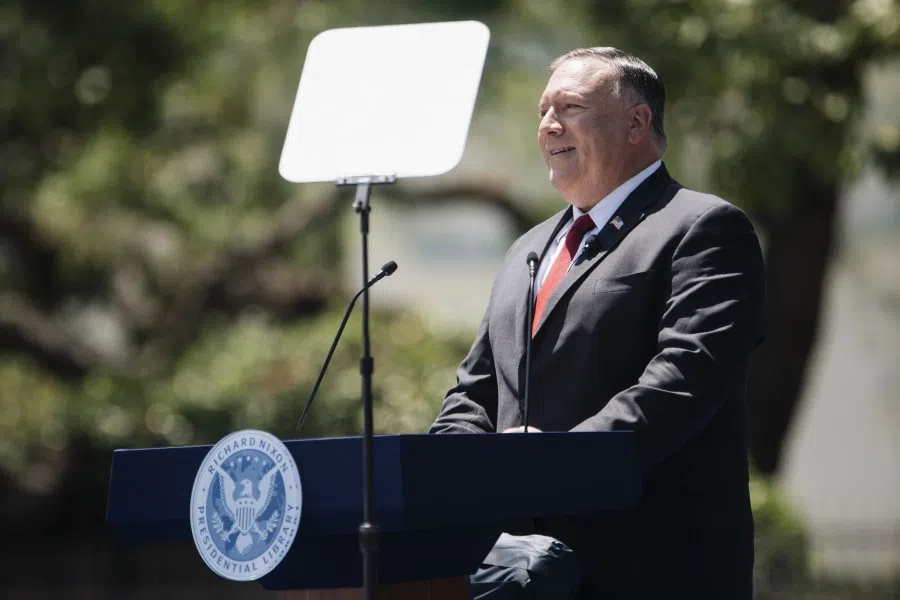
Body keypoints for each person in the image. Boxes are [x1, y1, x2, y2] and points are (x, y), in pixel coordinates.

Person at [429, 47, 766, 600]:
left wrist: (555, 464)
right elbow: (475, 392)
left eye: (571, 107)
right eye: (542, 110)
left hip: (649, 568)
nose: (548, 125)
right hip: (517, 573)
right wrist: (450, 477)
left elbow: (682, 383)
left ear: (638, 121)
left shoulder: (702, 229)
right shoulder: (527, 250)